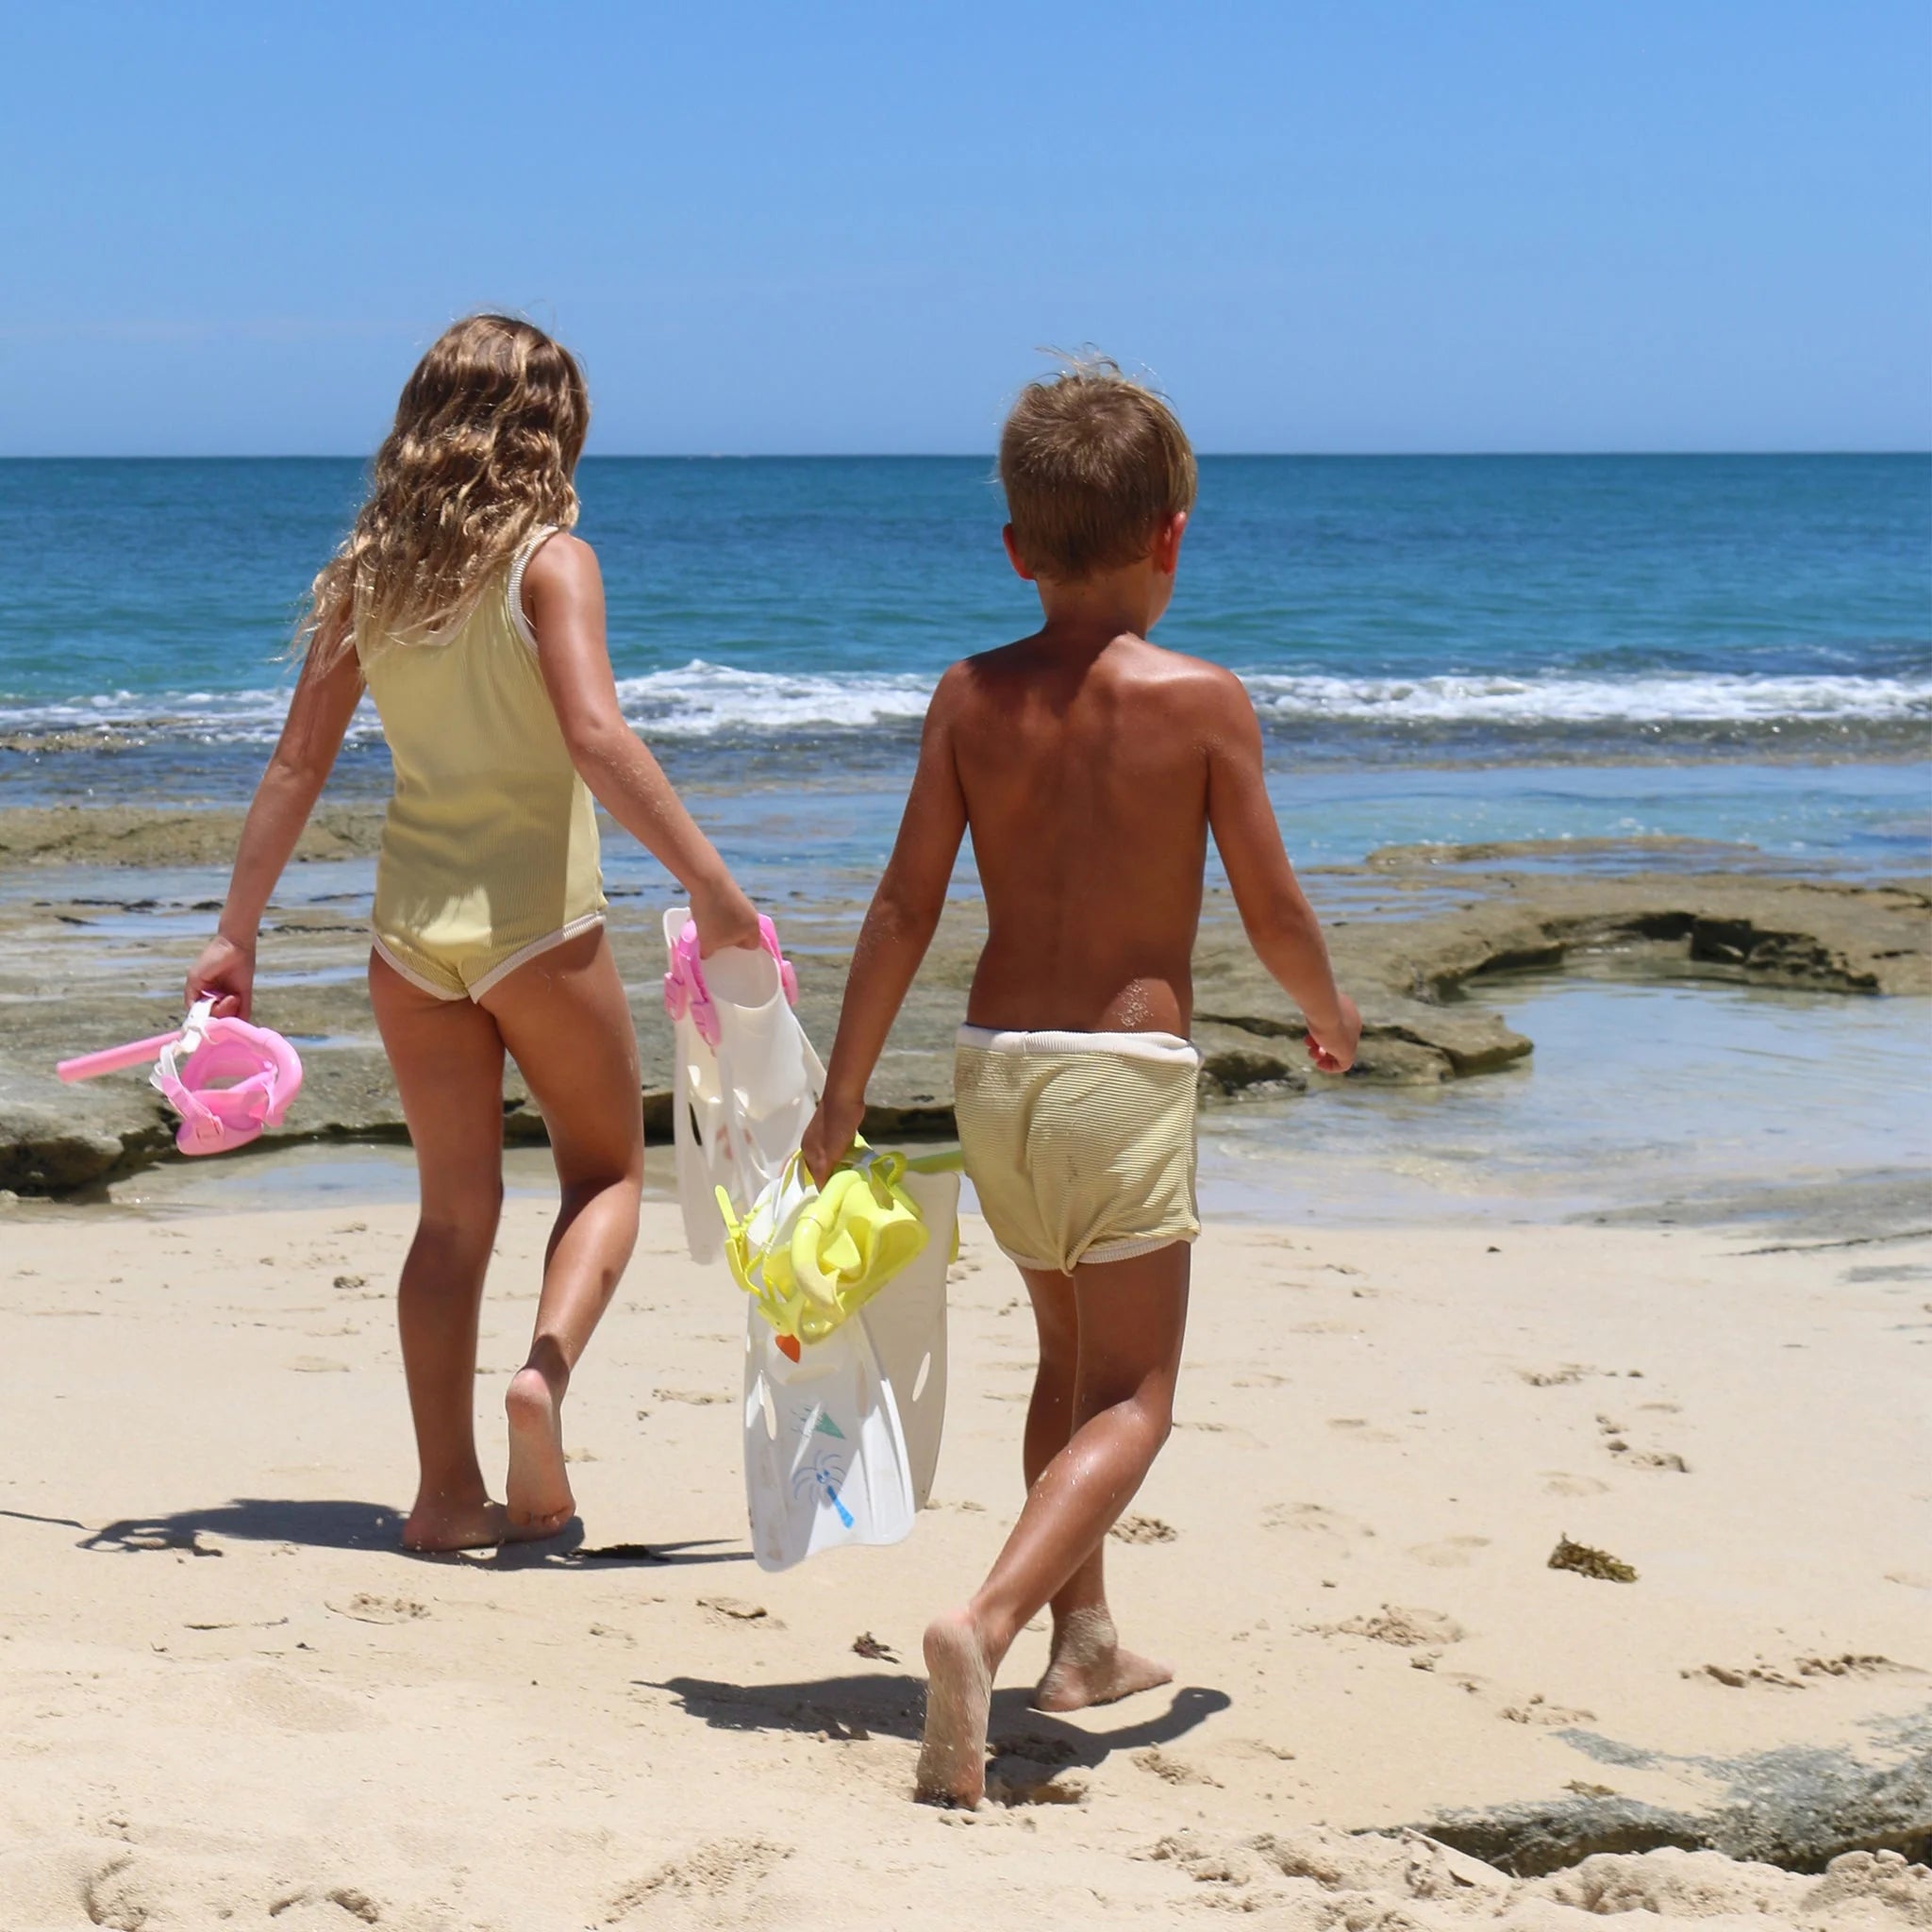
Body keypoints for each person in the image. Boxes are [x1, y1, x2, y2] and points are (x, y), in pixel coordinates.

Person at [799, 360, 1361, 1806]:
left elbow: (902, 909)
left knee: (1066, 1360)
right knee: (1140, 1399)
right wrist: (1328, 1011)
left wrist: (841, 1093)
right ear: (1173, 536)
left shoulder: (970, 695)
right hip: (1122, 1080)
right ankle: (984, 1623)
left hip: (997, 1077)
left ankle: (1086, 1640)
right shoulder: (1201, 702)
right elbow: (1276, 910)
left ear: (1015, 548)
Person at [185, 315, 760, 1552]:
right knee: (606, 1172)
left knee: (452, 1220)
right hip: (536, 929)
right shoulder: (552, 562)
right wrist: (710, 883)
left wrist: (237, 935)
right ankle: (540, 1382)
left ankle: (446, 1495)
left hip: (407, 943)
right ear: (551, 428)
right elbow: (597, 739)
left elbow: (296, 763)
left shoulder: (368, 577)